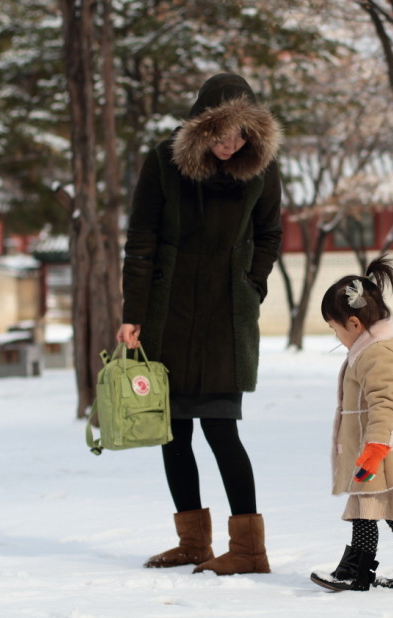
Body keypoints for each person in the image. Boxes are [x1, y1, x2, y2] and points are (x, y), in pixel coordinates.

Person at [117, 73, 282, 576]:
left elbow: (270, 235)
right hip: (167, 312)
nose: (232, 145)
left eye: (241, 136)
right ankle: (193, 543)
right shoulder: (163, 162)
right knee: (173, 431)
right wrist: (134, 314)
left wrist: (250, 286)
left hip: (225, 317)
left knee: (220, 427)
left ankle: (249, 548)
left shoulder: (260, 170)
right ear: (202, 127)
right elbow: (141, 238)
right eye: (222, 134)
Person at [310, 256, 393, 591]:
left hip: (382, 451)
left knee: (365, 508)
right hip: (382, 450)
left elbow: (384, 403)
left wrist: (376, 447)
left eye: (333, 328)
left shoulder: (377, 353)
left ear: (353, 323)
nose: (335, 335)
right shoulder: (372, 348)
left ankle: (355, 572)